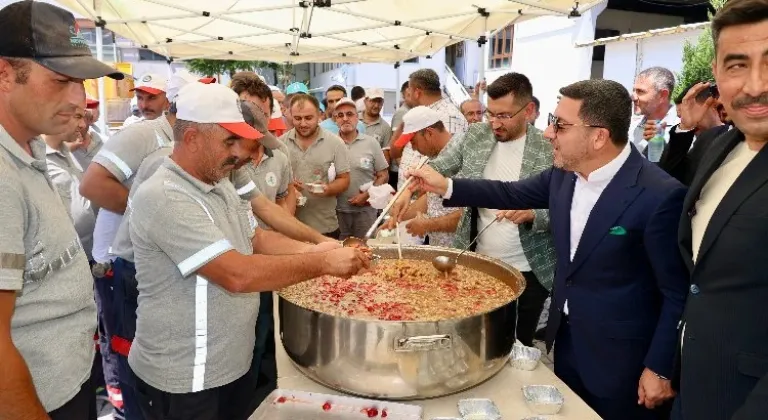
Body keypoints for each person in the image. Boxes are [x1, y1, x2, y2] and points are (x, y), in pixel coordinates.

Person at [406, 79, 689, 420]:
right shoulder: (564, 174)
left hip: (624, 360)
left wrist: (659, 367)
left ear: (598, 136)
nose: (549, 133)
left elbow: (677, 292)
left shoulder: (658, 195)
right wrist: (446, 184)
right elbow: (507, 193)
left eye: (561, 125)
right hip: (567, 343)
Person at [127, 82, 368, 420]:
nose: (239, 152)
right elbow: (236, 274)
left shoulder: (220, 184)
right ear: (193, 138)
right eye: (229, 141)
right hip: (187, 376)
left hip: (229, 363)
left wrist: (318, 245)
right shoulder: (165, 195)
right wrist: (324, 262)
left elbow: (257, 239)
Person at [0, 1, 123, 419]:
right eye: (61, 80)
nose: (79, 99)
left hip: (65, 380)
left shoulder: (30, 148)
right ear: (3, 75)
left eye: (81, 82)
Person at [391, 73, 556, 347]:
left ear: (528, 111)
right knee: (475, 337)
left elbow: (567, 209)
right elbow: (438, 167)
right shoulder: (476, 135)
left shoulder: (548, 148)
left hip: (529, 267)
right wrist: (408, 190)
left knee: (518, 341)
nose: (494, 123)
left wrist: (533, 214)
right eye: (490, 113)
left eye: (503, 116)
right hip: (480, 260)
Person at [674, 1, 768, 418]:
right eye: (737, 65)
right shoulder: (719, 145)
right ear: (715, 72)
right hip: (694, 386)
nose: (756, 84)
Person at [388, 107, 463, 247]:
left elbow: (470, 214)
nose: (414, 148)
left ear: (429, 133)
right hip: (440, 248)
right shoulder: (433, 158)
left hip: (460, 251)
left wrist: (429, 225)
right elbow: (431, 199)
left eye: (414, 142)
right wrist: (399, 217)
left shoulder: (462, 155)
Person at [280, 94, 352, 238]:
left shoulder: (335, 143)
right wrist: (288, 186)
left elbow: (344, 179)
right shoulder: (281, 144)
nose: (303, 124)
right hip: (290, 226)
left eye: (308, 118)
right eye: (298, 118)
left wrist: (328, 189)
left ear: (319, 115)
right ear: (290, 116)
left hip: (324, 225)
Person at [333, 97, 389, 239]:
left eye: (350, 114)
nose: (345, 119)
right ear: (335, 120)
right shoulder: (330, 143)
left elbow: (383, 175)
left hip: (365, 212)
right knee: (339, 252)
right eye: (340, 115)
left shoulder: (371, 143)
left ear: (357, 118)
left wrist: (367, 195)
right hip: (336, 212)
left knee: (365, 251)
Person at [658, 82, 729, 186]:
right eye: (680, 117)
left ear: (711, 103)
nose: (686, 120)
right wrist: (684, 128)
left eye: (689, 113)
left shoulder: (738, 136)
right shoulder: (683, 143)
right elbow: (669, 177)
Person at [630, 67, 680, 155]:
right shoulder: (631, 127)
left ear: (662, 95)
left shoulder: (682, 131)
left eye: (640, 91)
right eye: (634, 90)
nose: (633, 97)